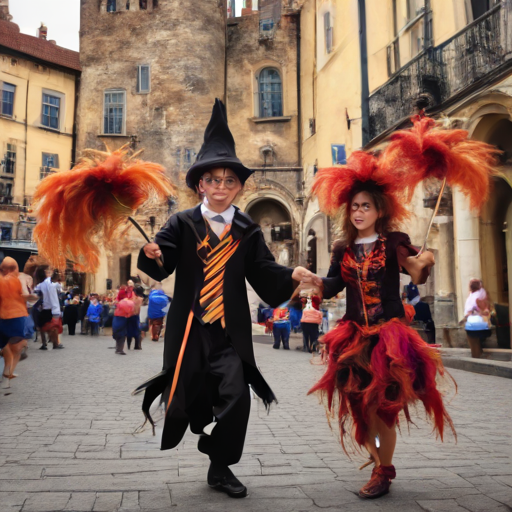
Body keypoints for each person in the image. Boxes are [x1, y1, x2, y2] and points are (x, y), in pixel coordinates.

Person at [135, 99, 315, 499]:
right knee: (188, 398)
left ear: (239, 186)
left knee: (237, 400)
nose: (220, 187)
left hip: (230, 332)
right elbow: (161, 260)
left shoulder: (249, 229)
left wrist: (294, 276)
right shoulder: (181, 223)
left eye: (228, 181)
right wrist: (152, 255)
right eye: (212, 180)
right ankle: (205, 438)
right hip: (190, 330)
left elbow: (264, 271)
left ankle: (220, 465)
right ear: (200, 184)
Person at [308, 152, 455, 500]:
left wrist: (426, 261)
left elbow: (416, 271)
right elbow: (332, 286)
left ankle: (383, 471)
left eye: (366, 207)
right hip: (353, 336)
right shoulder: (342, 247)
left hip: (388, 338)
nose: (359, 212)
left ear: (379, 211)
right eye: (355, 206)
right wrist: (312, 281)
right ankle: (377, 462)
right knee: (360, 408)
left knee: (382, 408)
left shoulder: (393, 242)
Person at [0, 257, 37, 386]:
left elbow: (19, 295)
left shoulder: (13, 280)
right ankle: (6, 374)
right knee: (15, 346)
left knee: (10, 347)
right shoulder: (14, 280)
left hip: (13, 317)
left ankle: (6, 375)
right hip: (14, 317)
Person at [34, 269, 64, 350]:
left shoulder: (40, 285)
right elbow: (59, 288)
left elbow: (36, 293)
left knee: (42, 327)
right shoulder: (51, 284)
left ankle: (45, 343)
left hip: (44, 308)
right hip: (52, 308)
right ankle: (55, 343)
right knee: (53, 327)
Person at [463, 279, 492, 358]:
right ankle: (480, 353)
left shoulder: (472, 297)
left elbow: (468, 312)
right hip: (483, 324)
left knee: (474, 344)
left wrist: (472, 313)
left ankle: (476, 356)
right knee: (478, 341)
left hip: (473, 324)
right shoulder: (482, 294)